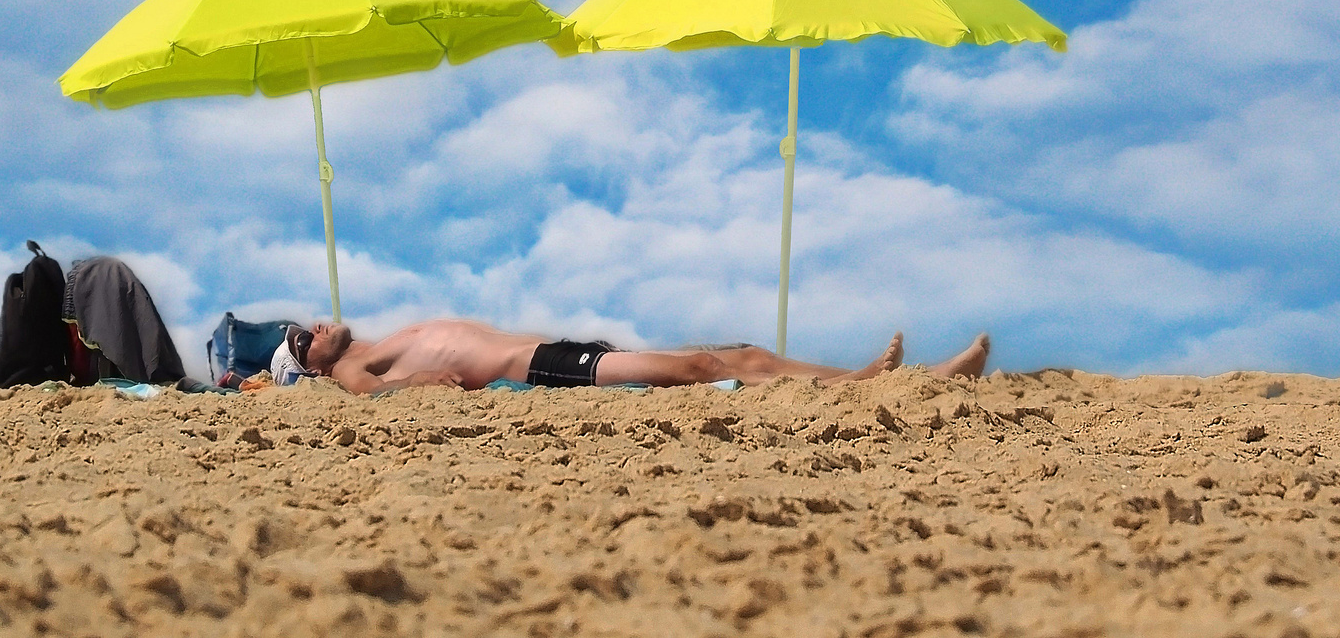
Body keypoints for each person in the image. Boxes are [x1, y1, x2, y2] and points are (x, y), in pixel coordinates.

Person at [273, 317, 991, 394]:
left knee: (738, 352)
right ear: (307, 364)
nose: (310, 328)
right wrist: (416, 386)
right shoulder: (345, 369)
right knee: (705, 368)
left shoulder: (389, 336)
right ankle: (875, 384)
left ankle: (873, 380)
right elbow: (367, 396)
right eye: (299, 342)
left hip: (555, 352)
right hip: (535, 371)